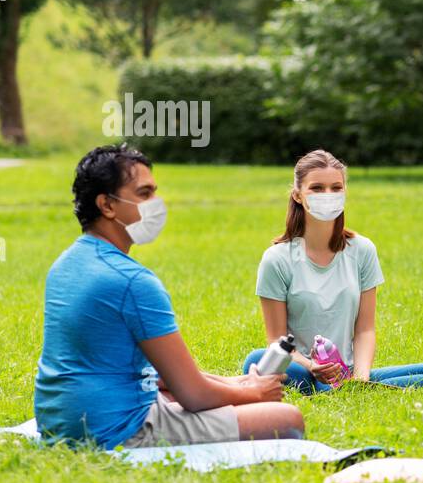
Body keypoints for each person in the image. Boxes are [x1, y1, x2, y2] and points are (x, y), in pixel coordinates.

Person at [34, 144, 303, 449]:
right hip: (113, 431)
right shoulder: (132, 282)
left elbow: (163, 379)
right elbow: (194, 395)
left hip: (59, 422)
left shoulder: (66, 265)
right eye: (144, 194)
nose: (156, 203)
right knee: (286, 418)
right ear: (107, 205)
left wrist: (239, 383)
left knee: (182, 392)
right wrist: (253, 394)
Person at [242, 149, 423, 393]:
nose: (328, 195)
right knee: (257, 360)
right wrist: (312, 366)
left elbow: (365, 328)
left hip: (347, 372)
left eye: (336, 188)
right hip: (301, 370)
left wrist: (361, 377)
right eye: (317, 188)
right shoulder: (277, 259)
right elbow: (275, 342)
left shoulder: (362, 250)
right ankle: (335, 391)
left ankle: (352, 390)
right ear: (298, 195)